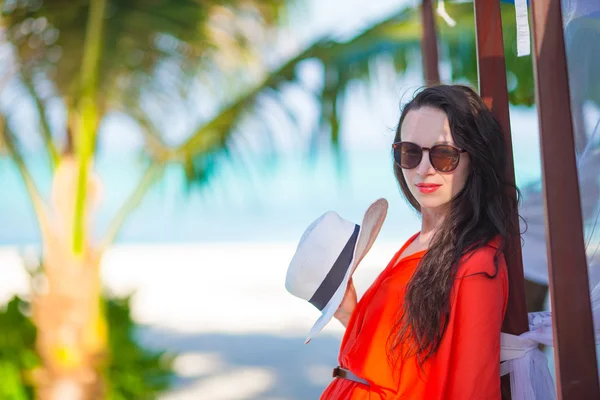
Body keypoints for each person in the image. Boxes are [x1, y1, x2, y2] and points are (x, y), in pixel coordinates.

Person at [321, 85, 517, 399]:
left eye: (444, 155)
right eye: (410, 153)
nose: (424, 169)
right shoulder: (420, 243)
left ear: (474, 160)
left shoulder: (476, 264)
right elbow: (401, 360)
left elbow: (473, 388)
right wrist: (350, 314)